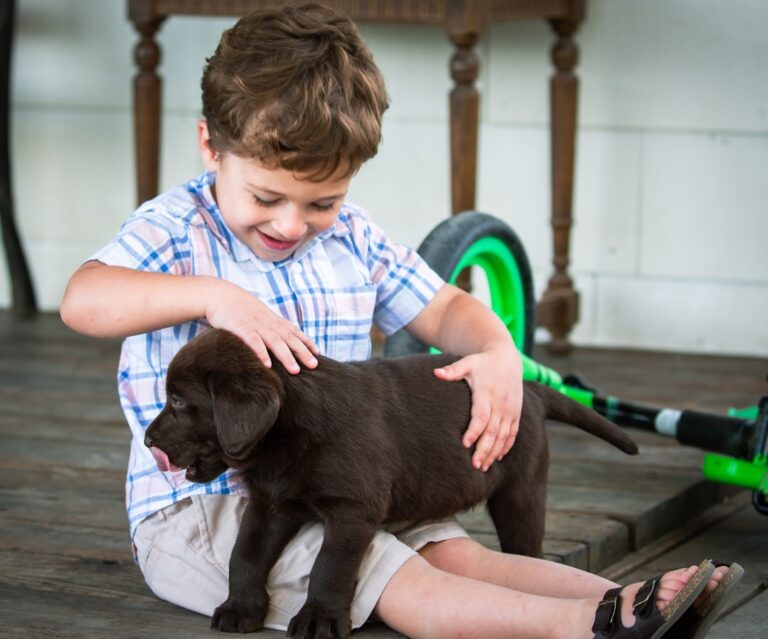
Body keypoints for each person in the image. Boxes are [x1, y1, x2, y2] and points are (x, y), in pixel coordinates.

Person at [60, 5, 737, 638]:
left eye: (322, 201)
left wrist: (499, 352)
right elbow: (83, 298)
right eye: (267, 196)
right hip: (210, 511)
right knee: (400, 579)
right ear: (212, 147)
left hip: (345, 489)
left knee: (458, 555)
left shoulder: (351, 238)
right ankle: (579, 628)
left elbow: (445, 306)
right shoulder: (177, 230)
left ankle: (626, 602)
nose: (292, 225)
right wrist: (209, 295)